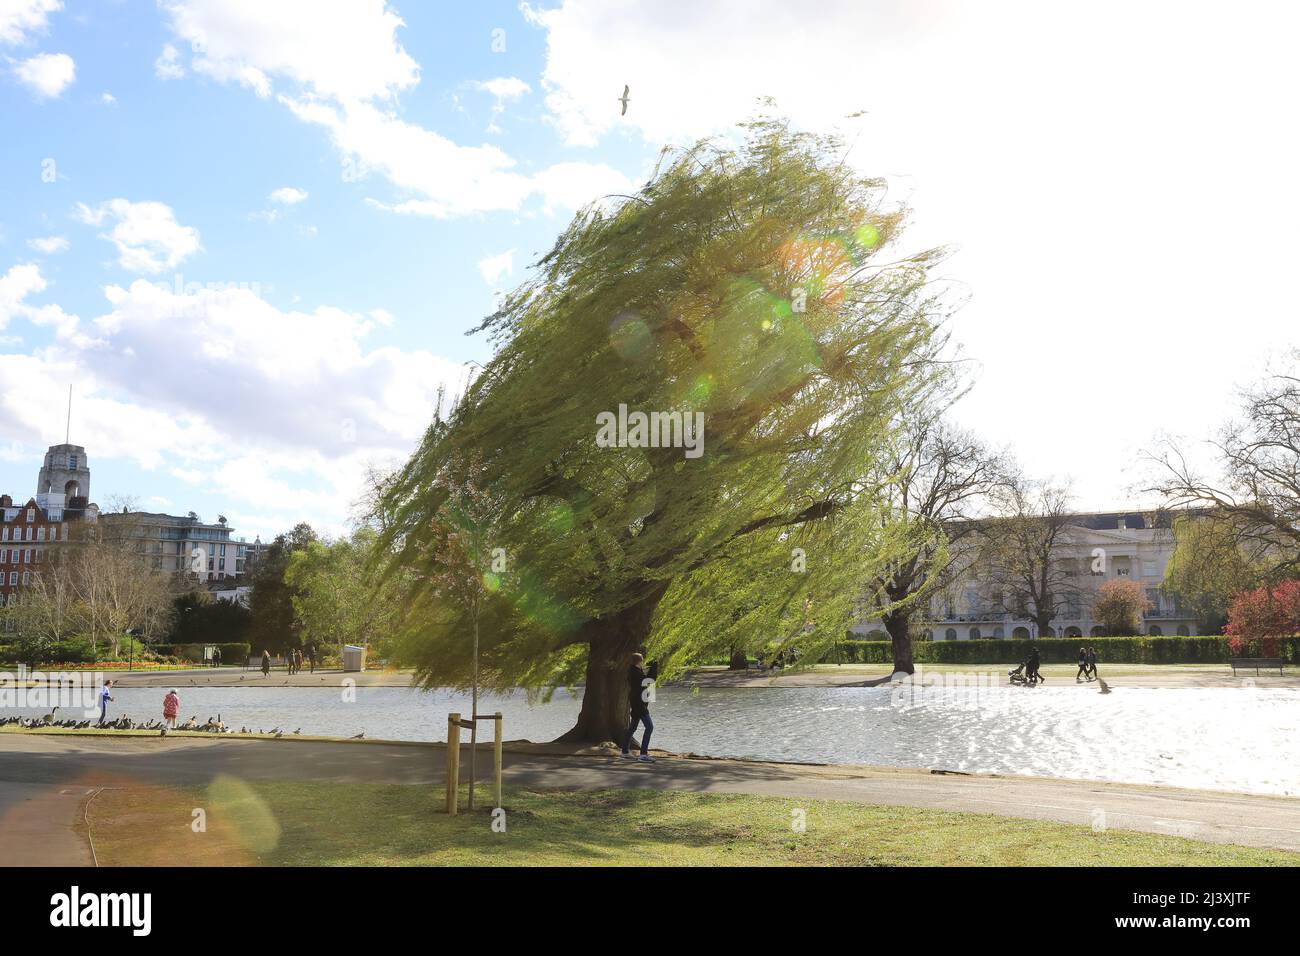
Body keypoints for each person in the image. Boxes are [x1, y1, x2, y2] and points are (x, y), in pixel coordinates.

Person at [621, 652, 655, 763]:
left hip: (637, 702)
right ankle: (643, 754)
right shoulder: (635, 672)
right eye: (642, 660)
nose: (643, 662)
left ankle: (625, 751)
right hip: (639, 704)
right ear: (639, 661)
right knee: (649, 727)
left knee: (632, 728)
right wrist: (654, 667)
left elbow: (646, 681)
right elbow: (649, 681)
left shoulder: (634, 671)